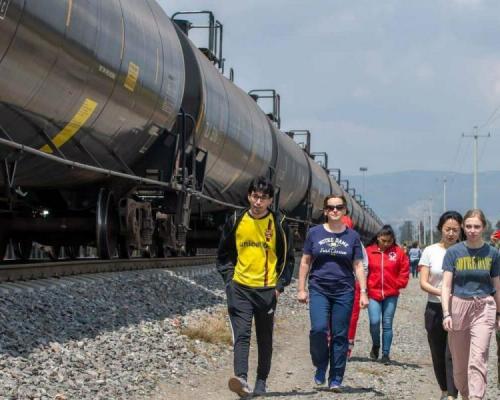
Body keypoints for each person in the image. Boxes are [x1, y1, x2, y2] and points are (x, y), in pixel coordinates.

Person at [216, 177, 295, 398]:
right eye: (254, 196)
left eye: (263, 198)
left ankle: (261, 380)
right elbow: (223, 254)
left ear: (270, 200)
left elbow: (288, 259)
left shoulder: (279, 224)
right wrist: (229, 281)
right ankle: (241, 379)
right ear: (249, 196)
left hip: (266, 290)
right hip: (240, 288)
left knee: (264, 337)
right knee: (241, 335)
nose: (258, 202)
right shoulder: (236, 219)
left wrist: (279, 287)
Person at [297, 195, 368, 391]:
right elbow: (305, 261)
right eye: (331, 207)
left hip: (344, 290)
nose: (335, 210)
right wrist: (301, 289)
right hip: (319, 288)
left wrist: (363, 292)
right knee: (319, 329)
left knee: (340, 334)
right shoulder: (314, 233)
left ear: (345, 210)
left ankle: (336, 377)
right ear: (325, 211)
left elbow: (358, 265)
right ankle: (320, 364)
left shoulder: (352, 236)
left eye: (339, 207)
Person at [441, 209, 500, 400]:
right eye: (468, 226)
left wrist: (499, 314)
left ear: (483, 228)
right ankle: (465, 395)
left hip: (484, 306)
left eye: (476, 226)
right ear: (463, 228)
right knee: (459, 364)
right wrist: (446, 313)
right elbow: (447, 285)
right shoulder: (453, 253)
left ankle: (476, 397)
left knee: (478, 358)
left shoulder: (493, 253)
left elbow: (497, 286)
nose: (472, 230)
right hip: (459, 306)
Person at [419, 211, 463, 400]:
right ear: (440, 229)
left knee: (453, 353)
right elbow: (424, 282)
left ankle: (453, 394)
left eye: (455, 229)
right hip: (435, 309)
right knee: (438, 352)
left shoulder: (466, 251)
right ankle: (444, 389)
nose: (451, 233)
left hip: (459, 309)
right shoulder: (430, 251)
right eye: (448, 229)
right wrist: (443, 293)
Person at [366, 225, 409, 364]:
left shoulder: (398, 252)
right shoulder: (368, 252)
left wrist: (398, 284)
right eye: (383, 240)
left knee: (387, 323)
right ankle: (376, 344)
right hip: (373, 293)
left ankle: (385, 354)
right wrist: (365, 287)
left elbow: (404, 270)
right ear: (378, 237)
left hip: (391, 294)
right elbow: (363, 269)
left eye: (389, 241)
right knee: (374, 322)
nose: (385, 244)